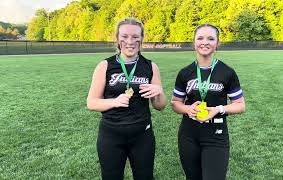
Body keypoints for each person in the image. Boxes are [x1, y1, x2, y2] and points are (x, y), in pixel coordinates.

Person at [87, 18, 166, 180]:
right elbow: (91, 102)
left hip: (142, 136)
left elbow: (160, 106)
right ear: (117, 38)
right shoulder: (105, 65)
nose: (130, 41)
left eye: (135, 37)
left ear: (142, 39)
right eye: (124, 36)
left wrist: (158, 92)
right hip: (111, 136)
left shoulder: (151, 67)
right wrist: (114, 102)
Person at [171, 24, 245, 180]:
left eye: (210, 38)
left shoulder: (227, 72)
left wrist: (218, 109)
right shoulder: (185, 72)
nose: (205, 42)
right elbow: (175, 103)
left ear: (217, 43)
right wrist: (187, 109)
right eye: (200, 38)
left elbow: (240, 105)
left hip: (216, 135)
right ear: (194, 42)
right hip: (188, 135)